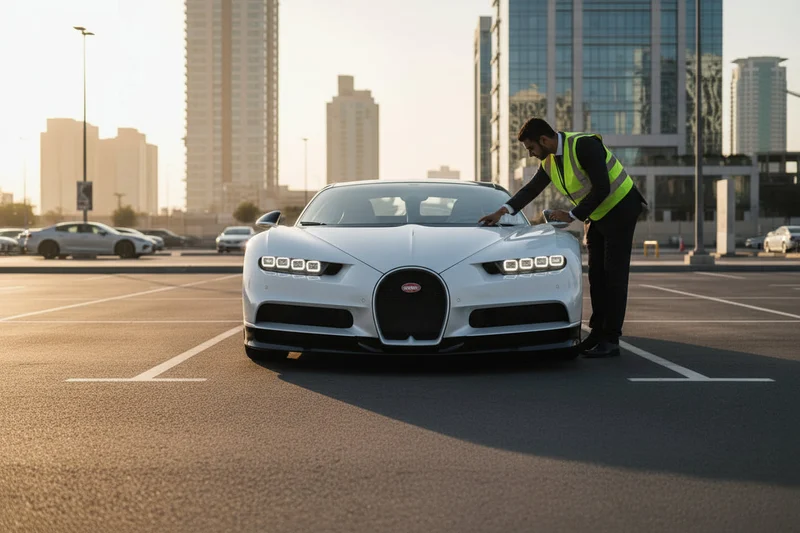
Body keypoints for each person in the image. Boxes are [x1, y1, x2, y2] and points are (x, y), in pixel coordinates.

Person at [479, 118, 646, 358]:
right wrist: (502, 211)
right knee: (597, 276)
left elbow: (602, 188)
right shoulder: (549, 161)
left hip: (621, 208)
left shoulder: (584, 145)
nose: (531, 154)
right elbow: (531, 189)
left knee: (614, 276)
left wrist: (570, 215)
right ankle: (597, 334)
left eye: (531, 148)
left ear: (544, 140)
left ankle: (611, 339)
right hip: (597, 214)